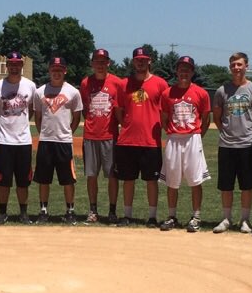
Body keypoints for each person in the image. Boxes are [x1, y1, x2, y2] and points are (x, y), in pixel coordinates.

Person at [211, 51, 252, 233]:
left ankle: (245, 220)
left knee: (246, 185)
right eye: (233, 65)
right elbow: (217, 118)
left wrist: (250, 134)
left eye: (239, 64)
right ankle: (226, 219)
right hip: (226, 145)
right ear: (230, 67)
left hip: (247, 145)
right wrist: (226, 132)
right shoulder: (222, 91)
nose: (236, 68)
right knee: (226, 184)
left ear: (246, 66)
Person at [113, 47, 168, 227]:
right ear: (133, 61)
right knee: (128, 180)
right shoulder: (124, 84)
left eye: (144, 59)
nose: (141, 62)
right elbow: (119, 110)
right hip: (127, 140)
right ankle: (127, 215)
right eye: (138, 59)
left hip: (150, 141)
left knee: (151, 180)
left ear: (149, 60)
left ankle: (152, 217)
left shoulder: (160, 84)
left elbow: (165, 111)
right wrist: (127, 125)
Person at [158, 55, 211, 232]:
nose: (184, 72)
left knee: (195, 180)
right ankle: (172, 216)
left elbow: (206, 119)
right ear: (177, 71)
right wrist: (173, 132)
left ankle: (196, 216)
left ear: (192, 72)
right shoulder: (167, 93)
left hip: (192, 138)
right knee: (172, 180)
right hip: (174, 138)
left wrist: (197, 135)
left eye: (187, 69)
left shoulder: (201, 93)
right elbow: (164, 118)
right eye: (181, 69)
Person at [32, 56, 83, 223]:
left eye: (60, 69)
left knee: (68, 179)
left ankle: (70, 211)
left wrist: (67, 132)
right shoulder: (40, 92)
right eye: (54, 69)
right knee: (43, 179)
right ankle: (43, 210)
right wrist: (44, 133)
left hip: (64, 142)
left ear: (65, 71)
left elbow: (76, 117)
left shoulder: (73, 92)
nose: (56, 72)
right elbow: (38, 117)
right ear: (49, 70)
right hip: (46, 141)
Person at [0, 51, 38, 224]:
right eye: (11, 64)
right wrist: (2, 126)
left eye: (17, 64)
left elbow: (31, 109)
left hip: (23, 141)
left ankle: (23, 213)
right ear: (7, 66)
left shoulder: (30, 86)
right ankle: (2, 213)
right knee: (3, 180)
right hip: (4, 141)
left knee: (23, 181)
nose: (14, 67)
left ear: (21, 66)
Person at [79, 47, 123, 223]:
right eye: (97, 61)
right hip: (90, 135)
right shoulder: (85, 83)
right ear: (92, 63)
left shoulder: (117, 83)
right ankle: (93, 210)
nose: (100, 64)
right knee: (91, 175)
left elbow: (119, 109)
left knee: (112, 175)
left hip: (110, 136)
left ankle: (112, 211)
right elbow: (85, 109)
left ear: (108, 63)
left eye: (103, 61)